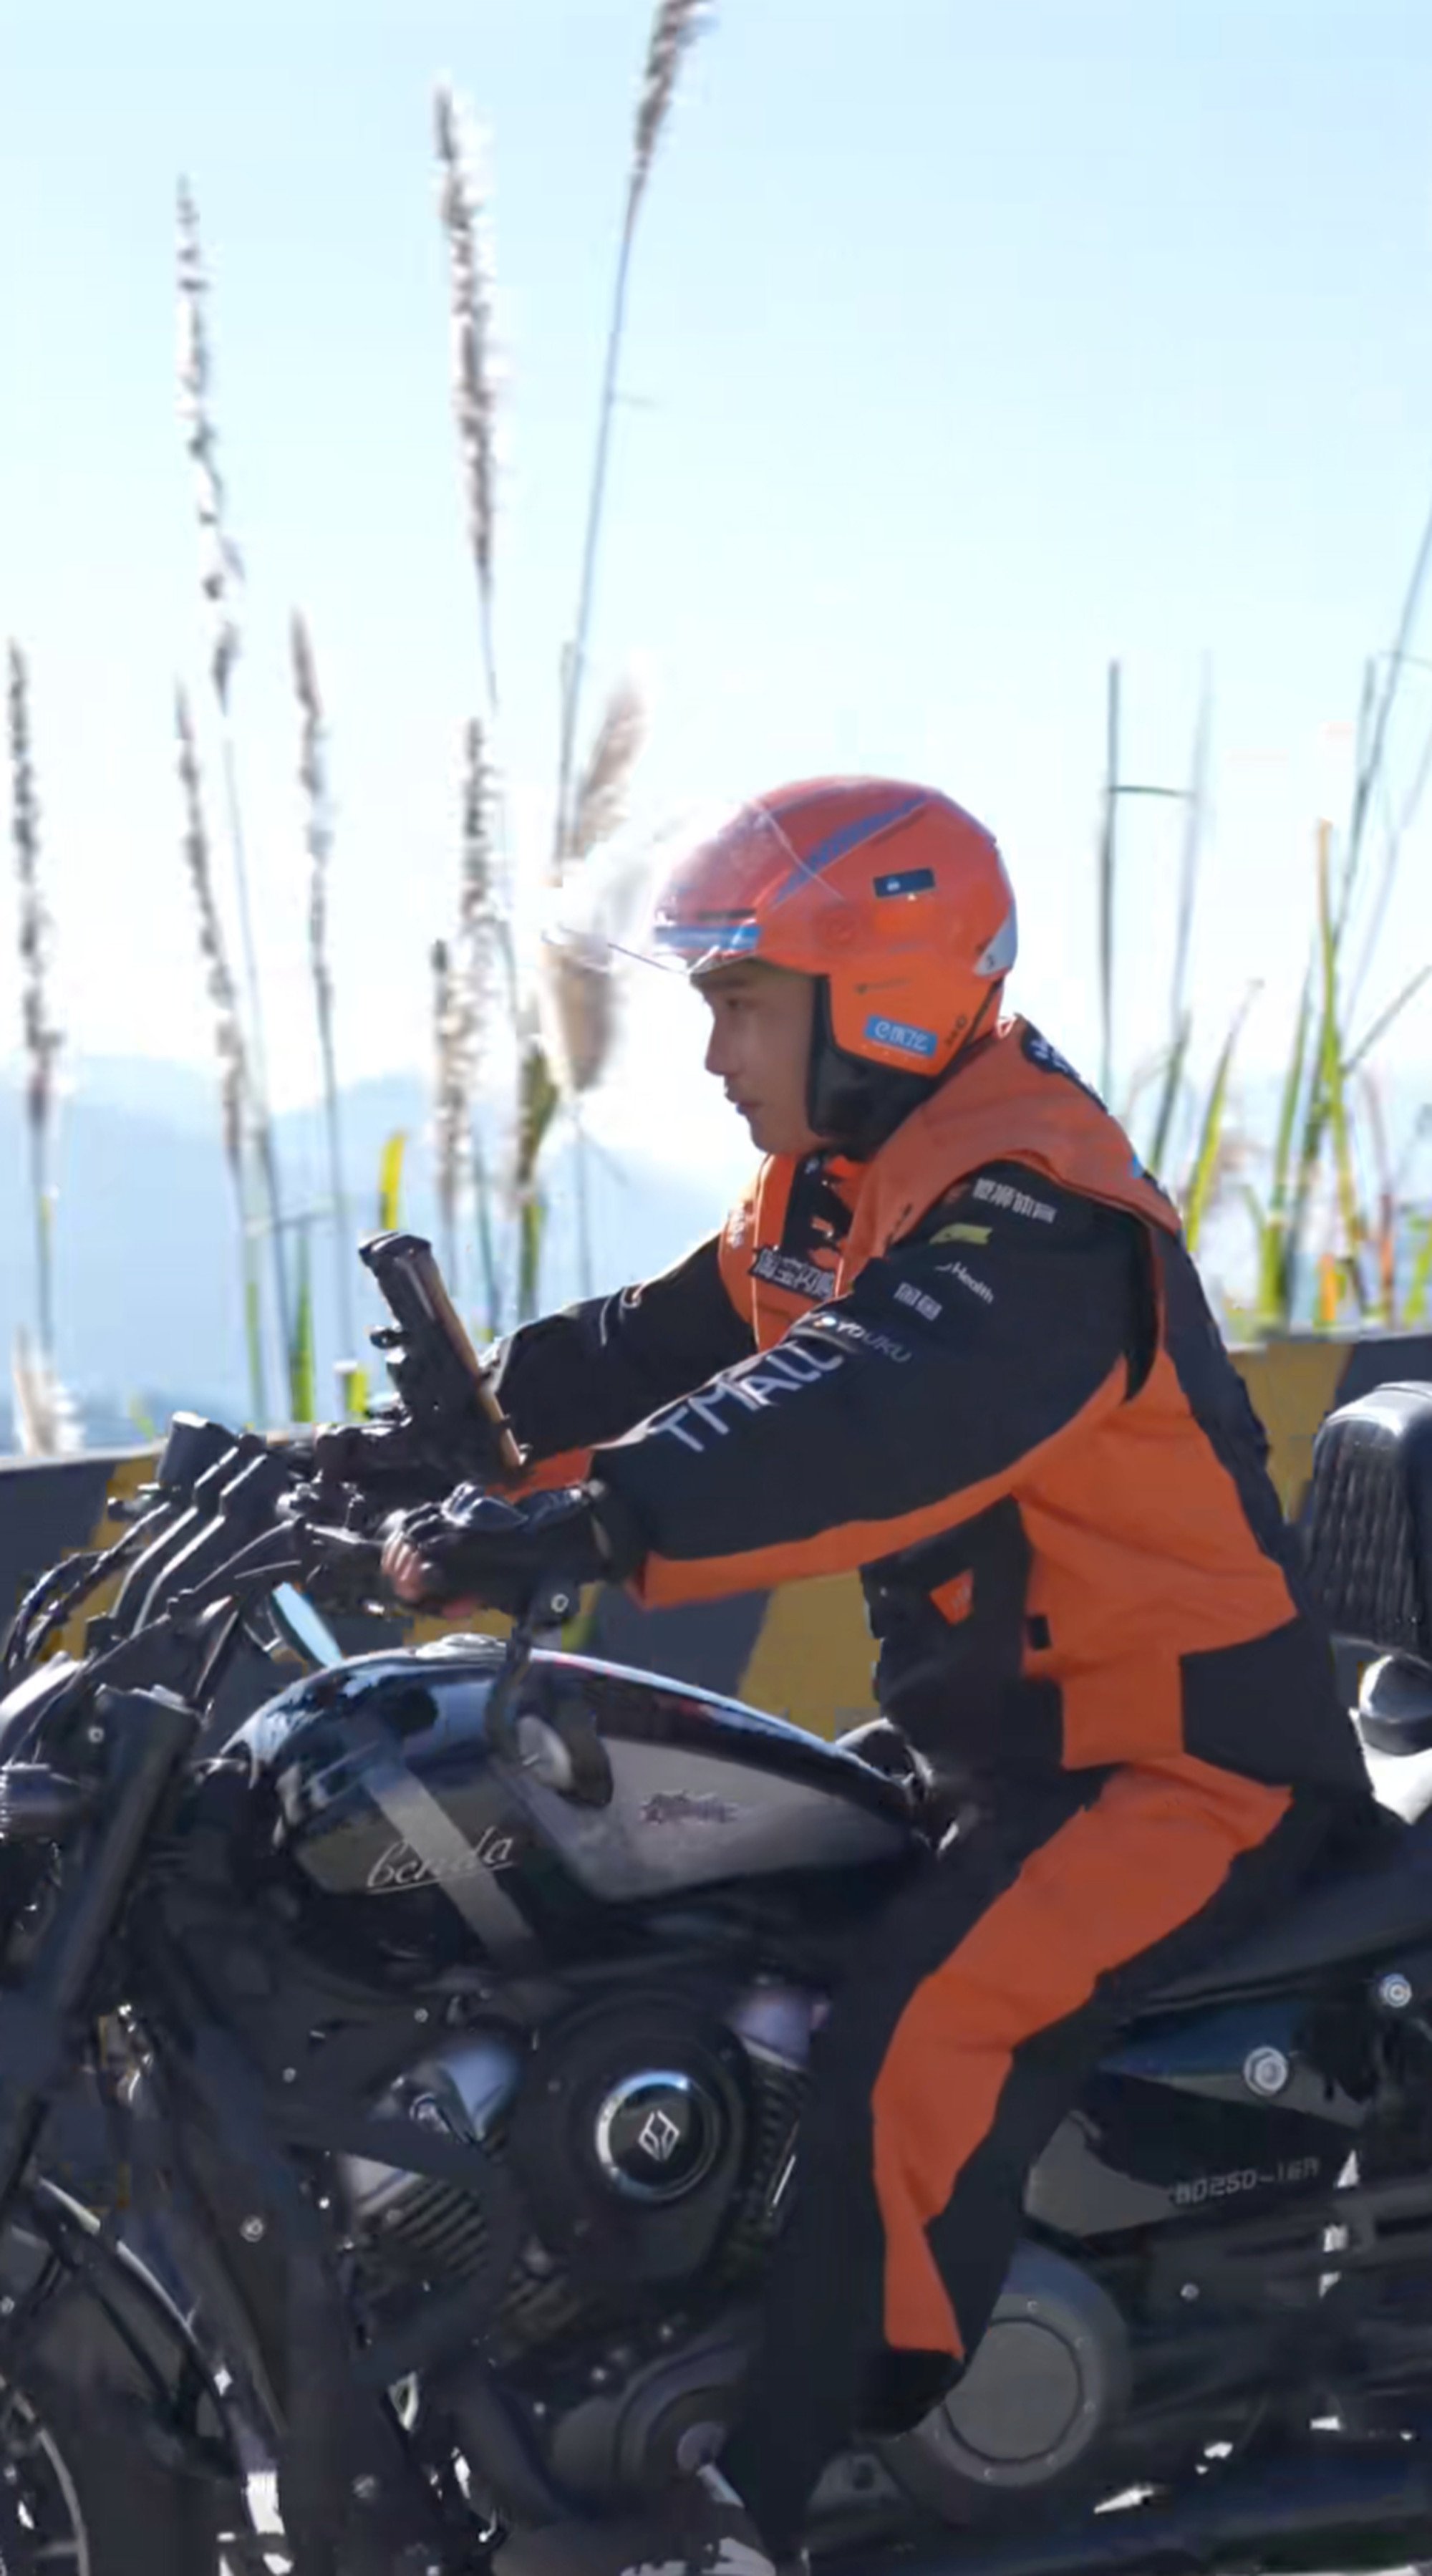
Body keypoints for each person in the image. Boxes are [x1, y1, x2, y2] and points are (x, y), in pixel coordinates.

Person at [382, 777, 1369, 2576]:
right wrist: (425, 1451)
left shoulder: (1034, 1218)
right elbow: (657, 1343)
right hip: (1003, 1748)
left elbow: (848, 1415)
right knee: (714, 1905)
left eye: (738, 1002)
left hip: (1176, 1770)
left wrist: (594, 1524)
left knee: (916, 2032)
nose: (709, 1052)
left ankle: (769, 2495)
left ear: (877, 991)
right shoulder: (846, 1180)